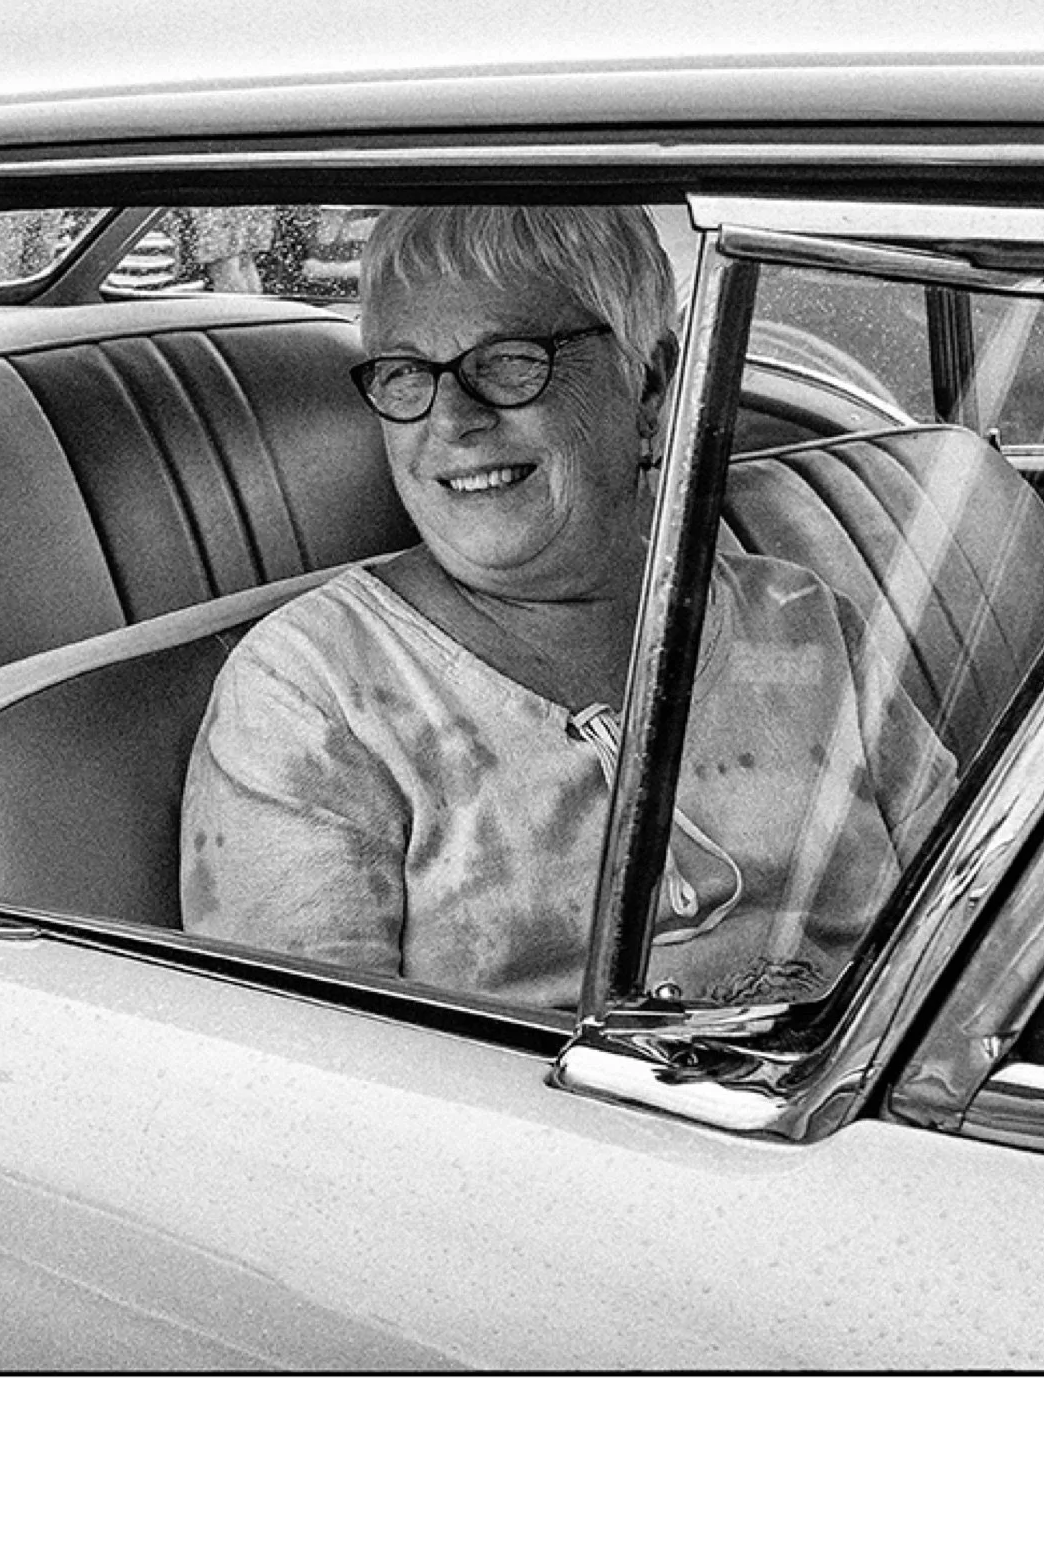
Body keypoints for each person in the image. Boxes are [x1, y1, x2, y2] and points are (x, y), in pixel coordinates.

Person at [180, 202, 958, 1011]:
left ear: (648, 382)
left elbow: (971, 915)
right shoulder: (312, 691)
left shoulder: (803, 622)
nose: (453, 420)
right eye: (406, 374)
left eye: (510, 361)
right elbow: (314, 1077)